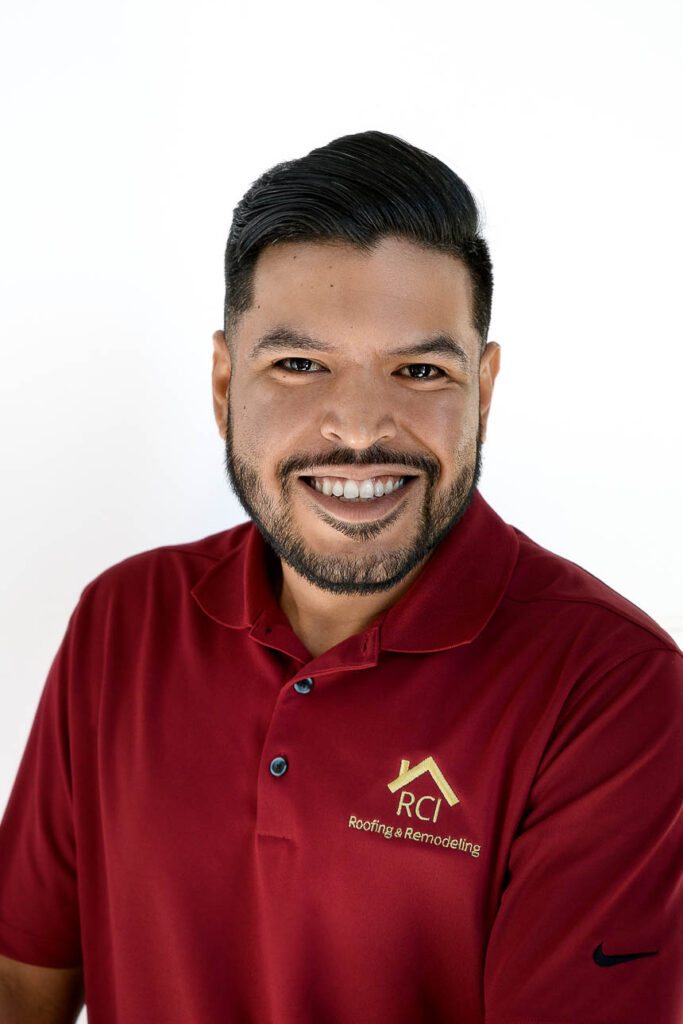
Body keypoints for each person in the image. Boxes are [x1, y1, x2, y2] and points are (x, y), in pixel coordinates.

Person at [0, 130, 680, 1024]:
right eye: (298, 365)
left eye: (419, 371)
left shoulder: (613, 691)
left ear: (482, 390)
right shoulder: (124, 620)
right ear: (223, 384)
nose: (359, 427)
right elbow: (22, 981)